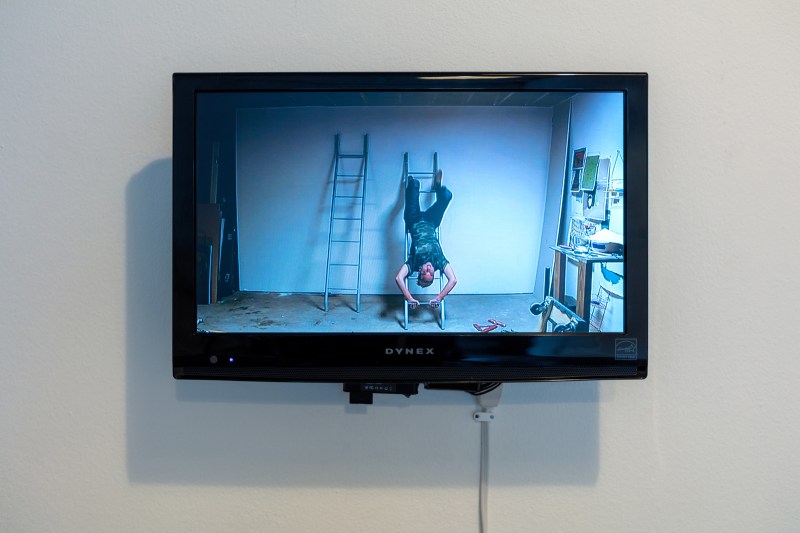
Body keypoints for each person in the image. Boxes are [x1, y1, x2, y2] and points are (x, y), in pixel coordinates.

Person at [394, 169, 457, 309]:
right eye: (431, 273)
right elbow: (453, 280)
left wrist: (410, 298)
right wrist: (439, 298)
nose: (428, 269)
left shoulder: (413, 264)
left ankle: (412, 184)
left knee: (414, 184)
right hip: (431, 222)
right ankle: (437, 187)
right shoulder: (440, 262)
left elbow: (398, 278)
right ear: (434, 272)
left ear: (419, 271)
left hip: (413, 220)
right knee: (447, 196)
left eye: (424, 272)